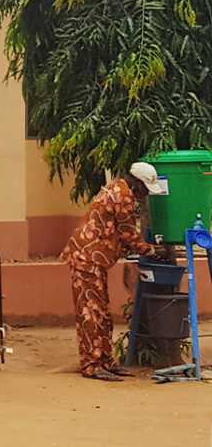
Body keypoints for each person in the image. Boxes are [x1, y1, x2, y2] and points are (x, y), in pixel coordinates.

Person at [60, 162, 163, 381]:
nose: (145, 195)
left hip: (91, 257)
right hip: (88, 258)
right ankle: (91, 365)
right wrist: (151, 250)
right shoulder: (123, 196)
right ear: (137, 183)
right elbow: (127, 233)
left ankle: (103, 361)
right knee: (91, 312)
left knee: (102, 312)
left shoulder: (116, 188)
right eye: (144, 189)